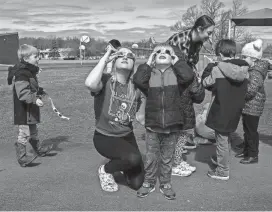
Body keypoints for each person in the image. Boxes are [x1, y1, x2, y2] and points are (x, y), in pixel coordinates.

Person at [133, 43, 194, 200]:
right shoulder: (150, 74)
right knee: (151, 157)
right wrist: (148, 62)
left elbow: (188, 76)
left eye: (167, 52)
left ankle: (165, 183)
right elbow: (138, 80)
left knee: (167, 158)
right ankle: (149, 182)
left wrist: (176, 61)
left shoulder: (177, 75)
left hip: (172, 126)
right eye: (158, 52)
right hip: (153, 125)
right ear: (153, 57)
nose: (162, 53)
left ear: (172, 58)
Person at [85, 45, 145, 192]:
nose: (125, 57)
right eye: (121, 55)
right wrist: (105, 59)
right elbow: (90, 84)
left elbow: (141, 117)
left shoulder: (136, 88)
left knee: (136, 183)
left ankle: (121, 159)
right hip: (105, 137)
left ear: (133, 65)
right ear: (114, 60)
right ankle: (105, 170)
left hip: (126, 136)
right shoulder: (105, 81)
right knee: (133, 159)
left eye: (130, 56)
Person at [167, 15, 214, 174]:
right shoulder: (178, 40)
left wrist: (196, 79)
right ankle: (173, 163)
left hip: (185, 86)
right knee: (178, 127)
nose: (209, 36)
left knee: (184, 127)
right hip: (174, 86)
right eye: (209, 32)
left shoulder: (198, 43)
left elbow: (191, 65)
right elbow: (170, 66)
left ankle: (176, 159)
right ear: (199, 29)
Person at [202, 39, 249, 180]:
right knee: (226, 137)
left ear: (220, 53)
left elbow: (206, 82)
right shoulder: (245, 70)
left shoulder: (217, 69)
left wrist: (208, 70)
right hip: (235, 109)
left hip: (221, 108)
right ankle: (222, 161)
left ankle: (223, 170)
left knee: (221, 139)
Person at [8, 44, 52, 167]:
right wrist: (34, 99)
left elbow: (31, 86)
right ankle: (22, 158)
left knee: (33, 129)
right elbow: (22, 92)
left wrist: (39, 91)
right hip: (23, 108)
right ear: (26, 58)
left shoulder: (29, 72)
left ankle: (39, 150)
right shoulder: (22, 73)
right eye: (36, 56)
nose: (39, 58)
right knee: (24, 132)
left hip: (30, 107)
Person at [236, 39, 269, 164]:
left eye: (245, 57)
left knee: (251, 131)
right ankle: (246, 150)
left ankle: (253, 154)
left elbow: (251, 90)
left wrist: (239, 94)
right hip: (248, 106)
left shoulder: (255, 72)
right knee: (247, 130)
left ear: (253, 58)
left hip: (253, 106)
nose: (243, 59)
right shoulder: (252, 70)